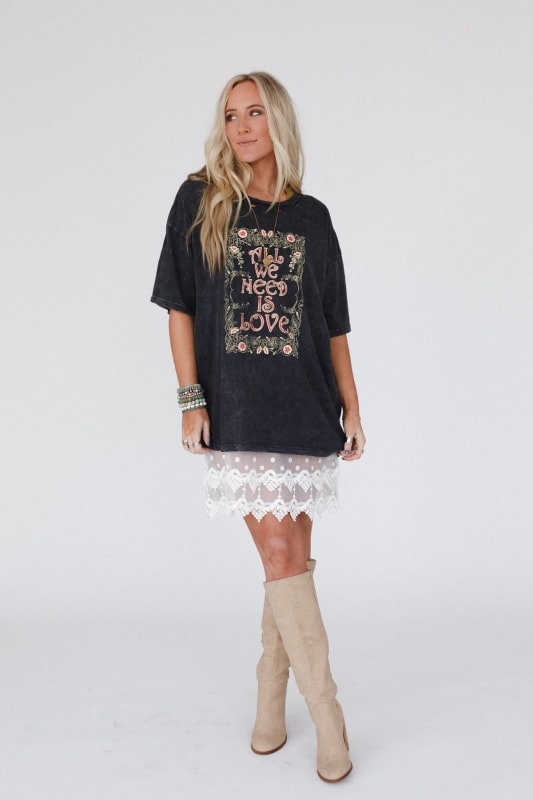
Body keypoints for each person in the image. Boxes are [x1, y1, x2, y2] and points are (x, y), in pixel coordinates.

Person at [151, 71, 366, 783]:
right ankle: (329, 721)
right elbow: (179, 305)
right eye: (229, 115)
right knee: (280, 554)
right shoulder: (200, 200)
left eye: (254, 113)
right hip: (239, 411)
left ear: (278, 121)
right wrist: (191, 398)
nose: (241, 127)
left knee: (290, 559)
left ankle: (270, 706)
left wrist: (352, 407)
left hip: (305, 407)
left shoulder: (313, 218)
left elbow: (333, 324)